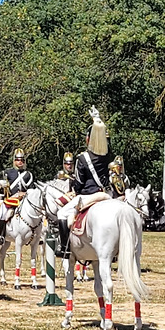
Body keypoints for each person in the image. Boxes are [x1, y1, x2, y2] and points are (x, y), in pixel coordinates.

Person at [56, 107, 114, 258]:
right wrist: (98, 120)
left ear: (89, 139)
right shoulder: (108, 155)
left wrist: (74, 190)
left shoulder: (82, 158)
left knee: (61, 213)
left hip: (87, 195)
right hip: (105, 195)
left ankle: (65, 248)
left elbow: (79, 183)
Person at [0, 149, 35, 244]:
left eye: (22, 160)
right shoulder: (8, 172)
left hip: (24, 200)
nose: (20, 162)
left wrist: (24, 194)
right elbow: (2, 189)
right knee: (2, 212)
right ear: (14, 161)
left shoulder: (28, 174)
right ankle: (1, 235)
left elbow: (31, 189)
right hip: (11, 200)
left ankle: (37, 234)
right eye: (18, 160)